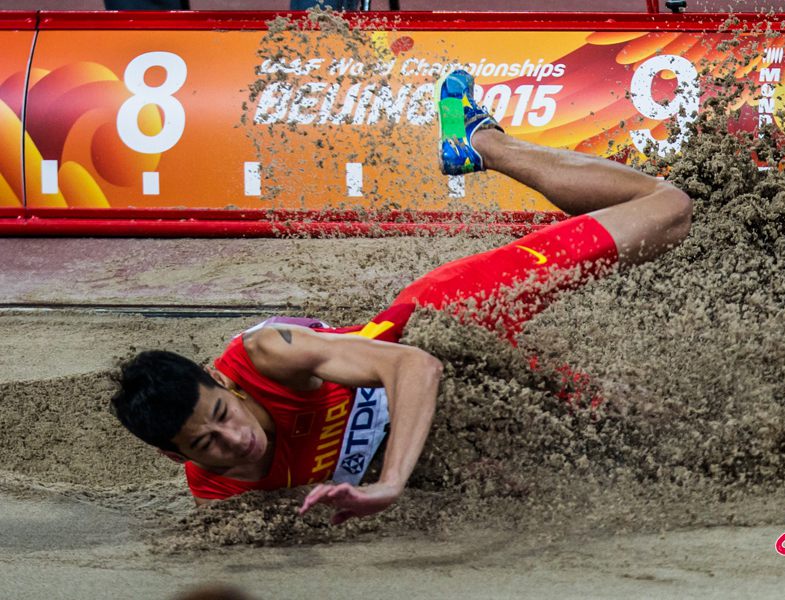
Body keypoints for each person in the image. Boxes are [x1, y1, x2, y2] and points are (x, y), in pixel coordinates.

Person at [112, 70, 692, 525]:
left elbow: (416, 365)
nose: (235, 438)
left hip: (448, 319)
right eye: (207, 444)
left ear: (225, 387)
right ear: (177, 457)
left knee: (669, 210)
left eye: (223, 414)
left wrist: (388, 484)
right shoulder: (218, 492)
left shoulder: (268, 356)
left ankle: (481, 141)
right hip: (475, 396)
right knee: (647, 430)